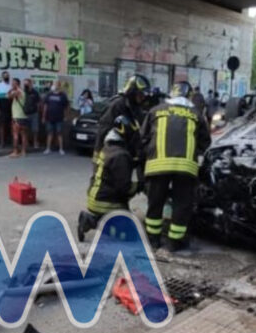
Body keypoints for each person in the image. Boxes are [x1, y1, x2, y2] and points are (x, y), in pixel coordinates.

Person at [140, 82, 211, 252]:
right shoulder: (196, 114)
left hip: (157, 165)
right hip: (185, 167)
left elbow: (143, 139)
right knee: (182, 204)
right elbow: (205, 142)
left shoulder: (155, 111)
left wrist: (145, 158)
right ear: (188, 96)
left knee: (155, 203)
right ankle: (174, 243)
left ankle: (153, 241)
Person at [78, 115, 140, 242]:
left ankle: (92, 219)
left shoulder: (108, 148)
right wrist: (140, 186)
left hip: (95, 196)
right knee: (130, 232)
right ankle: (93, 221)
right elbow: (124, 188)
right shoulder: (121, 155)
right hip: (105, 202)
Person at [94, 74, 151, 160]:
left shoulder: (136, 108)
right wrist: (97, 153)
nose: (143, 97)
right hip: (112, 153)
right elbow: (103, 129)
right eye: (140, 94)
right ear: (132, 91)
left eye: (143, 95)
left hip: (126, 154)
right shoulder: (117, 105)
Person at [43, 82, 69, 155]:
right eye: (54, 85)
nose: (55, 86)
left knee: (59, 133)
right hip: (49, 117)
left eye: (56, 85)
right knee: (49, 133)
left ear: (59, 86)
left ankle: (61, 149)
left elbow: (66, 107)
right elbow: (45, 106)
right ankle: (48, 148)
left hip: (59, 117)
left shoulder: (63, 95)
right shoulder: (49, 94)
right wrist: (43, 116)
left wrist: (66, 116)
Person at [8, 78, 28, 158]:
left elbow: (8, 96)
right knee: (23, 135)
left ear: (17, 84)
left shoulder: (17, 91)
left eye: (13, 83)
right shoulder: (23, 92)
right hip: (23, 116)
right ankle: (23, 151)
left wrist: (11, 89)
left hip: (17, 116)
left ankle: (15, 151)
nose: (12, 85)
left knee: (15, 134)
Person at [0, 71, 11, 148]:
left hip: (10, 107)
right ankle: (2, 142)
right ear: (2, 77)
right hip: (2, 108)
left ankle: (11, 141)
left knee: (11, 125)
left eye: (7, 76)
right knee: (2, 126)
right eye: (5, 76)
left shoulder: (11, 86)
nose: (6, 77)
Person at [23, 78, 41, 149]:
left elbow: (38, 102)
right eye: (25, 84)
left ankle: (35, 142)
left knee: (35, 129)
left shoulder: (35, 92)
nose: (26, 85)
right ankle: (26, 142)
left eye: (27, 83)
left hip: (34, 113)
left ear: (30, 84)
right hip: (25, 113)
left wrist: (38, 111)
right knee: (25, 129)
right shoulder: (23, 92)